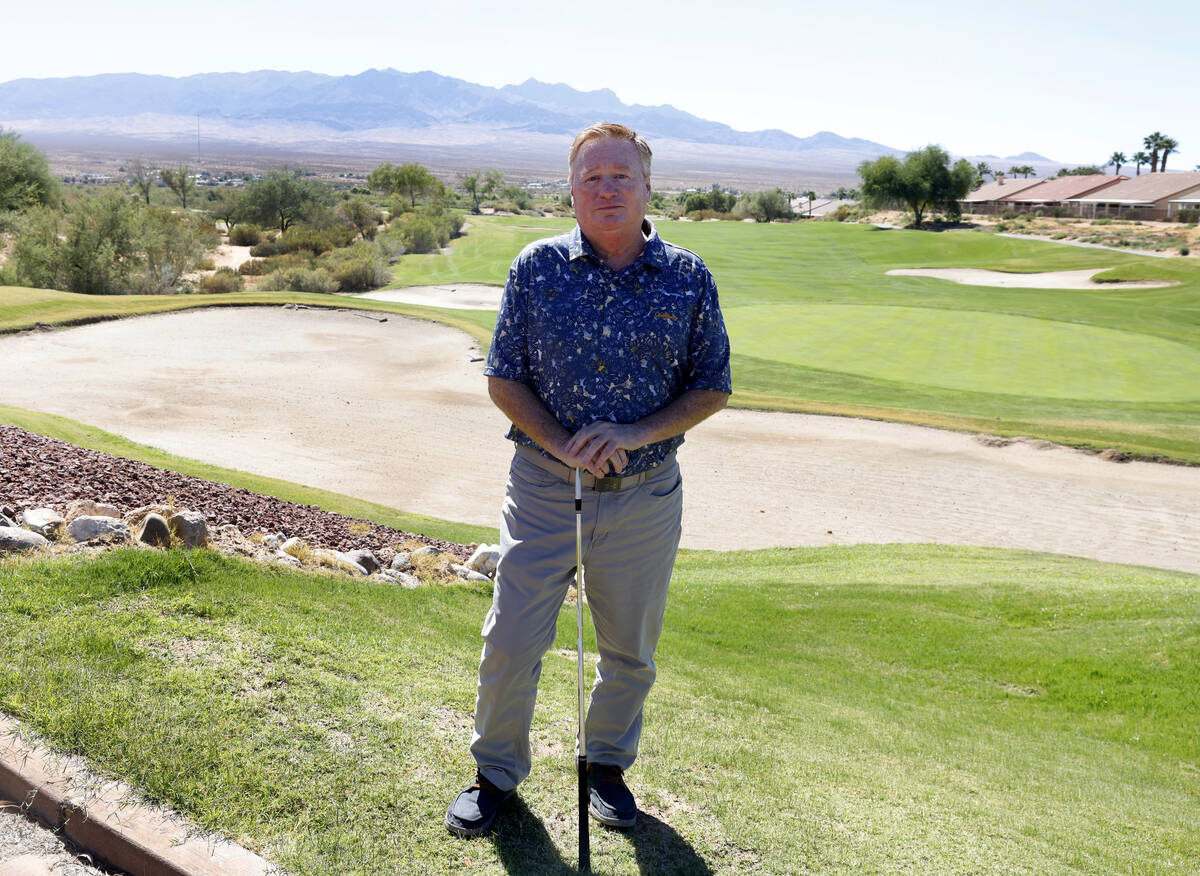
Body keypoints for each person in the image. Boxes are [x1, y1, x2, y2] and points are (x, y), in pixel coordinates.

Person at [446, 122, 732, 838]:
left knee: (628, 650)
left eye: (621, 176)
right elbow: (503, 378)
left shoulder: (688, 277)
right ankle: (495, 773)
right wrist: (563, 443)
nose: (606, 188)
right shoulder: (535, 267)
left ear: (646, 187)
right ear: (571, 191)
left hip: (645, 497)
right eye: (591, 177)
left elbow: (712, 387)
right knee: (511, 637)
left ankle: (605, 767)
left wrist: (632, 437)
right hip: (543, 488)